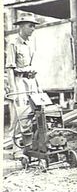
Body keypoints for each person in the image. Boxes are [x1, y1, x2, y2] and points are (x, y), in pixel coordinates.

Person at [5, 12, 40, 159]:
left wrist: (37, 86)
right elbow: (10, 68)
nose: (33, 29)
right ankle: (16, 149)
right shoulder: (13, 43)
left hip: (30, 81)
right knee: (19, 114)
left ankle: (28, 147)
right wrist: (13, 89)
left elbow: (31, 65)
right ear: (21, 27)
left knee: (32, 113)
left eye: (34, 26)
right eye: (30, 26)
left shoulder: (31, 43)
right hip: (19, 81)